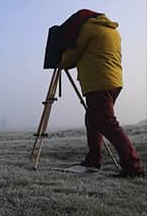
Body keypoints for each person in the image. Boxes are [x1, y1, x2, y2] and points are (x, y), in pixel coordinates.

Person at [58, 9, 144, 178]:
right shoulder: (112, 31)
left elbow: (72, 56)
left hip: (98, 82)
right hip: (113, 81)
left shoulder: (89, 29)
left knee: (106, 123)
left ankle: (133, 166)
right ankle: (93, 160)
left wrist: (60, 57)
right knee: (93, 120)